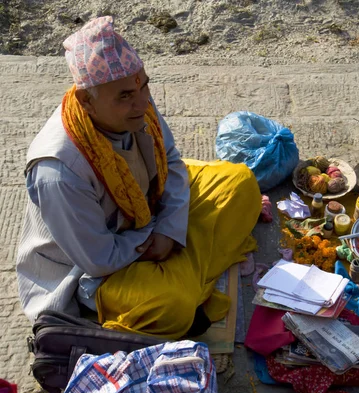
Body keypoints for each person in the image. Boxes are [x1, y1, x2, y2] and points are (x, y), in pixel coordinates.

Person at [15, 16, 262, 339]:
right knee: (171, 305)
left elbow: (172, 161)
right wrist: (159, 238)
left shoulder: (132, 92)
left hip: (148, 221)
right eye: (124, 97)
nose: (143, 102)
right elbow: (99, 259)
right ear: (86, 101)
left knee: (239, 183)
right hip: (95, 269)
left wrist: (169, 230)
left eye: (143, 85)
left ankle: (184, 279)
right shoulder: (57, 171)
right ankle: (183, 288)